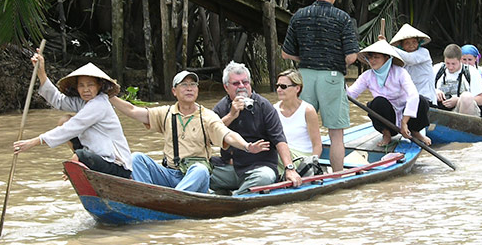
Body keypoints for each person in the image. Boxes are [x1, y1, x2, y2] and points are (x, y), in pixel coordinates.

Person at [109, 70, 269, 193]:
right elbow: (132, 111)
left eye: (193, 85)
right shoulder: (165, 113)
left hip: (194, 176)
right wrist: (109, 96)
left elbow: (228, 135)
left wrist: (247, 146)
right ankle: (145, 196)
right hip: (170, 173)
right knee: (137, 158)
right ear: (174, 91)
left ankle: (174, 200)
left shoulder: (206, 116)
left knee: (200, 169)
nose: (189, 89)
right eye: (184, 85)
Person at [282, 0, 359, 173]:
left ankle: (297, 170)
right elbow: (351, 57)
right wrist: (332, 60)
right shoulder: (342, 18)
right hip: (332, 78)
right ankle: (337, 176)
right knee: (336, 135)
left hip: (303, 77)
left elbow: (286, 53)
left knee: (302, 128)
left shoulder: (299, 15)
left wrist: (307, 59)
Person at [13, 55, 132, 178]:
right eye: (81, 85)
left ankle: (78, 163)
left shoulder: (99, 104)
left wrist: (33, 142)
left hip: (116, 164)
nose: (86, 89)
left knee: (80, 155)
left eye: (90, 85)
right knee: (64, 120)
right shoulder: (83, 102)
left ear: (99, 86)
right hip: (97, 157)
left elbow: (72, 127)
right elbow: (58, 100)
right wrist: (41, 73)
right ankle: (79, 164)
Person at [210, 61, 302, 195]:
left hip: (259, 168)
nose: (241, 86)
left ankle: (233, 198)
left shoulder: (264, 106)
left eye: (245, 82)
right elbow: (210, 137)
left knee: (264, 178)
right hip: (230, 168)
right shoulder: (220, 108)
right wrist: (231, 115)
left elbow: (279, 140)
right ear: (226, 87)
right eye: (236, 83)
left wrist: (289, 168)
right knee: (200, 171)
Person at [347, 40, 431, 146]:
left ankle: (415, 132)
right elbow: (350, 95)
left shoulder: (400, 72)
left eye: (376, 57)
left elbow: (413, 95)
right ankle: (386, 134)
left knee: (421, 100)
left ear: (386, 58)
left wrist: (404, 122)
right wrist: (340, 80)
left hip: (407, 118)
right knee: (377, 102)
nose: (372, 61)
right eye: (370, 58)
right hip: (387, 120)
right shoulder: (367, 76)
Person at [273, 69, 322, 176]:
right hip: (282, 155)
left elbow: (317, 144)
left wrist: (311, 165)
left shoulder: (307, 110)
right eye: (277, 86)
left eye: (283, 86)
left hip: (301, 157)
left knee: (272, 151)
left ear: (297, 88)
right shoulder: (274, 109)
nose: (279, 89)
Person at [432, 44, 482, 116]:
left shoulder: (471, 71)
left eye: (453, 64)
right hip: (440, 110)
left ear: (460, 60)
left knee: (466, 97)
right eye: (447, 63)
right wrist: (434, 91)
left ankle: (464, 126)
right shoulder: (437, 69)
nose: (450, 67)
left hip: (463, 111)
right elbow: (423, 89)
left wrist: (458, 100)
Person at [389, 24, 436, 105]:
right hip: (409, 100)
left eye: (414, 42)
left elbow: (410, 59)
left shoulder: (424, 52)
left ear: (418, 42)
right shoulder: (399, 59)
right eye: (407, 43)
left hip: (426, 99)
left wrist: (388, 47)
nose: (411, 45)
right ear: (402, 46)